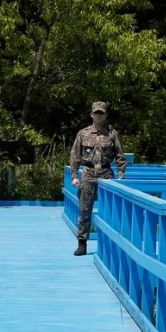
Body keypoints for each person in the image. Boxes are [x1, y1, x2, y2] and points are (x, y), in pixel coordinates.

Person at [69, 101, 127, 256]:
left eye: (101, 113)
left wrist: (121, 175)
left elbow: (120, 156)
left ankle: (110, 244)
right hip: (88, 174)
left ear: (106, 115)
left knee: (111, 211)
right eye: (96, 113)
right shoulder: (83, 133)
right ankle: (82, 244)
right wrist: (74, 175)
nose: (99, 115)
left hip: (106, 174)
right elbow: (75, 155)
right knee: (84, 210)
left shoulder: (112, 133)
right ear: (91, 114)